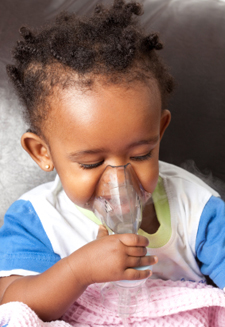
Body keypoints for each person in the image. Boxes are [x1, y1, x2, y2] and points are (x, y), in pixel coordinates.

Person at [0, 0, 224, 322]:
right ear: (42, 152)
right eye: (91, 163)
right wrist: (78, 271)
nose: (119, 182)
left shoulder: (197, 208)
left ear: (159, 133)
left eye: (140, 155)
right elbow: (13, 305)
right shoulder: (38, 218)